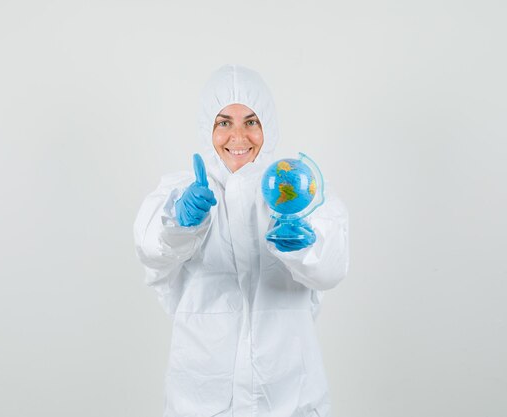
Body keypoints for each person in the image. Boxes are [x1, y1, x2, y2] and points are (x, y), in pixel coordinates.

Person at [133, 64, 349, 417]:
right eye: (224, 122)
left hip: (287, 395)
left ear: (268, 125)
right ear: (209, 127)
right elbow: (150, 248)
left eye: (251, 121)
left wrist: (305, 248)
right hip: (200, 396)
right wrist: (181, 223)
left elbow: (332, 267)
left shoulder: (296, 189)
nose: (239, 136)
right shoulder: (181, 191)